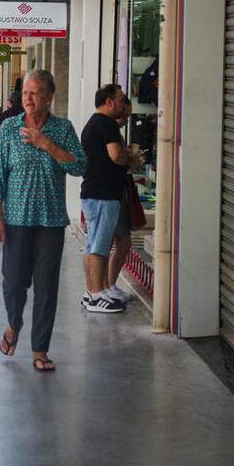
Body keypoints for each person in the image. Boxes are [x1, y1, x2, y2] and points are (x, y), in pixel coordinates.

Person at [0, 70, 87, 372]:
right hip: (16, 219)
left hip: (51, 221)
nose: (28, 98)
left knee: (46, 288)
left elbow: (80, 165)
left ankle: (40, 349)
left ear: (49, 97)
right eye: (25, 93)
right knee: (14, 282)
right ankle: (13, 325)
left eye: (35, 92)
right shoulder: (8, 128)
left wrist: (47, 144)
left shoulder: (62, 128)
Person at [79, 84, 141, 313]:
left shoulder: (95, 123)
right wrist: (131, 159)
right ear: (109, 102)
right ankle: (96, 295)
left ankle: (95, 291)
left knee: (95, 245)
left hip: (97, 193)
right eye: (122, 99)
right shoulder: (105, 123)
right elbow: (115, 155)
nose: (124, 103)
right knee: (98, 246)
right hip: (103, 194)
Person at [107, 97, 140, 304]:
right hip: (112, 193)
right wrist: (130, 158)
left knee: (119, 241)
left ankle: (108, 286)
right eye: (125, 114)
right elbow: (116, 158)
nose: (127, 119)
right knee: (118, 242)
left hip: (115, 192)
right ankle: (106, 287)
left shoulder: (112, 131)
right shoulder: (108, 130)